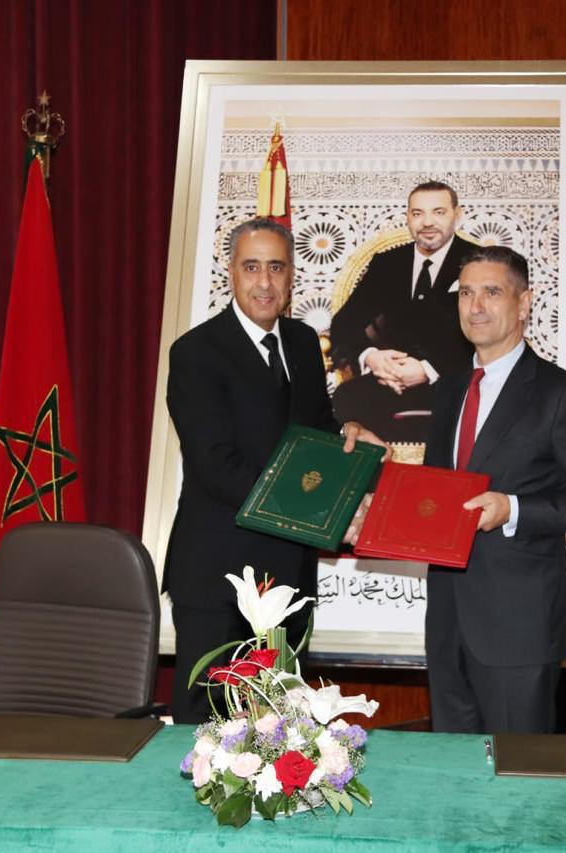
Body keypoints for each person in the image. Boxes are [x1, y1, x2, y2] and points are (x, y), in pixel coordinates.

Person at [163, 217, 383, 723]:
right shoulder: (196, 352)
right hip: (219, 577)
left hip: (288, 575)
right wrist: (318, 515)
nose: (264, 282)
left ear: (292, 276)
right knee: (208, 731)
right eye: (251, 267)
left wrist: (346, 434)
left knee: (281, 730)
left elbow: (315, 430)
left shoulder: (303, 342)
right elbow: (218, 466)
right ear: (231, 272)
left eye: (276, 268)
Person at [423, 245, 566, 734]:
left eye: (492, 292)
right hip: (447, 620)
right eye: (466, 293)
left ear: (524, 302)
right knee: (451, 768)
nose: (475, 307)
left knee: (516, 769)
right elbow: (439, 491)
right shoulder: (449, 390)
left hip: (519, 625)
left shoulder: (561, 393)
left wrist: (512, 509)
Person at [329, 181, 476, 442]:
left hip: (454, 380)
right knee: (345, 399)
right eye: (418, 213)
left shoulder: (480, 261)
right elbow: (344, 324)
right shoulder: (387, 263)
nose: (427, 222)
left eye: (438, 212)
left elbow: (493, 333)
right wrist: (372, 358)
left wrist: (428, 369)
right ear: (407, 217)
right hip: (386, 384)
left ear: (457, 214)